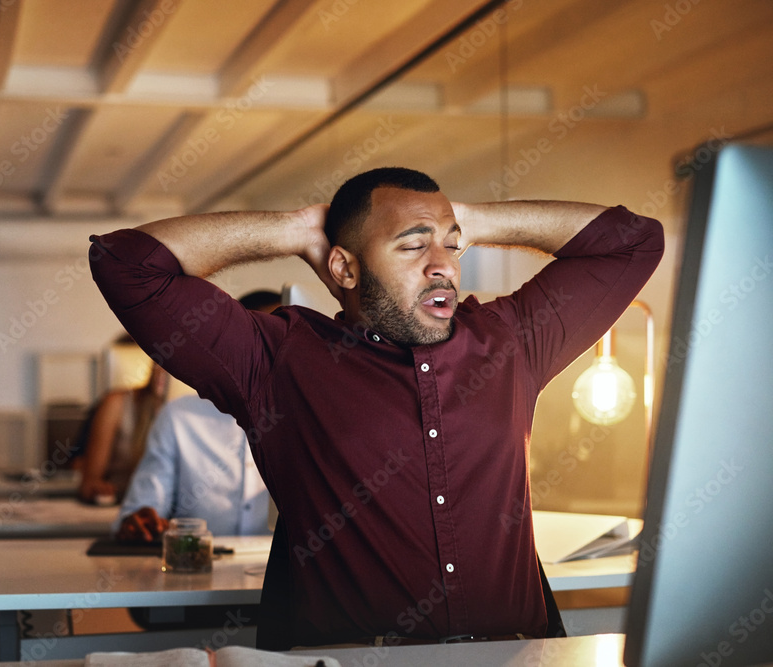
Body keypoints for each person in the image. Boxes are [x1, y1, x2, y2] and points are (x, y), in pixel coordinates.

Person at [88, 167, 664, 648]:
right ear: (343, 268)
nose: (443, 264)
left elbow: (634, 241)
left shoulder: (509, 340)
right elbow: (126, 264)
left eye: (452, 245)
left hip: (514, 657)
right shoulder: (278, 360)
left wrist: (476, 219)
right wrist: (293, 230)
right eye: (413, 245)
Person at [114, 290, 281, 542]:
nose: (275, 353)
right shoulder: (180, 418)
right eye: (264, 340)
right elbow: (142, 509)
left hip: (286, 578)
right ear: (232, 343)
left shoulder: (313, 421)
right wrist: (139, 522)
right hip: (199, 572)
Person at [74, 336, 168, 504]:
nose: (164, 371)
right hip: (121, 507)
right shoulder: (117, 404)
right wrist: (98, 487)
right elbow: (89, 482)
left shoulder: (193, 413)